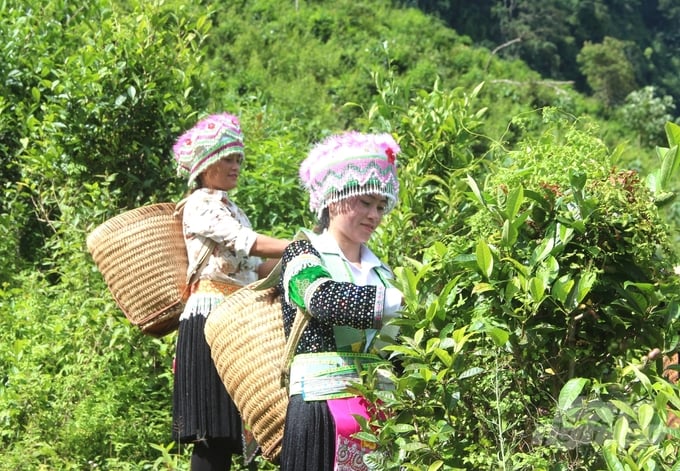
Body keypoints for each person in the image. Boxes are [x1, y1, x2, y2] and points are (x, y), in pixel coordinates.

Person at [277, 131, 404, 470]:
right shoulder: (302, 255)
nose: (374, 216)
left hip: (376, 412)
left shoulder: (382, 272)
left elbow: (397, 349)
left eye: (380, 206)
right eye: (364, 202)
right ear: (333, 199)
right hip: (320, 411)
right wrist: (398, 303)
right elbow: (320, 298)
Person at [171, 112, 289, 470]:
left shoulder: (230, 206)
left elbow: (253, 267)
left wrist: (301, 265)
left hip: (235, 318)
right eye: (227, 158)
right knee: (213, 433)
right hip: (210, 318)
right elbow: (246, 244)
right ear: (205, 165)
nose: (235, 165)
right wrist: (304, 246)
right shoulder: (200, 204)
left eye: (238, 158)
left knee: (233, 430)